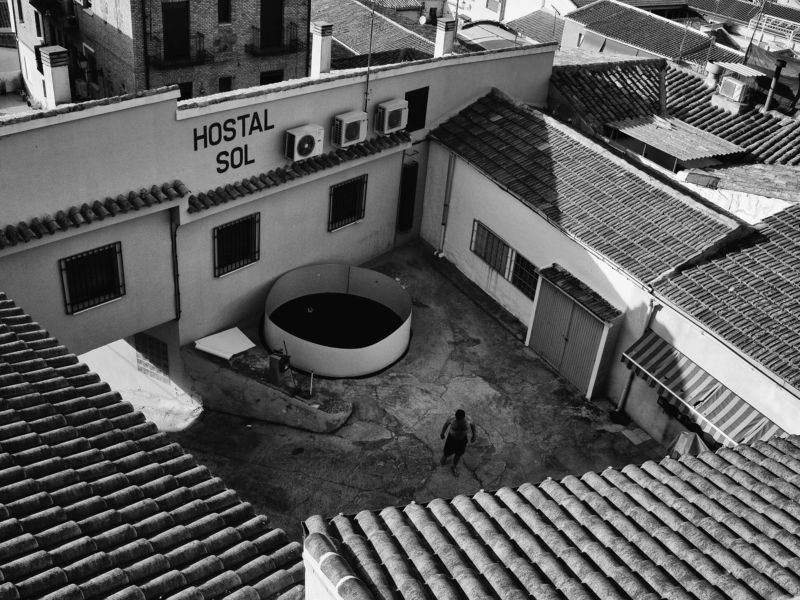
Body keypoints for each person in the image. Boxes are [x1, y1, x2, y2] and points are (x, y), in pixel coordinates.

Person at [439, 409, 476, 477]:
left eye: (461, 420)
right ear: (456, 417)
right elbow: (445, 425)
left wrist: (474, 436)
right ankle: (444, 458)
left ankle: (454, 467)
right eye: (458, 419)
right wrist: (442, 433)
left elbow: (473, 427)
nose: (459, 421)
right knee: (447, 452)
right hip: (451, 439)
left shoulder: (469, 420)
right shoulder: (452, 419)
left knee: (458, 454)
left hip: (462, 440)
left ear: (464, 417)